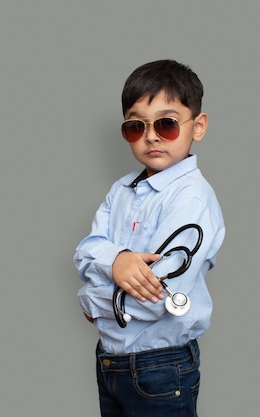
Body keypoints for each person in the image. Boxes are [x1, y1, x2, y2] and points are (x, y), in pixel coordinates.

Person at [73, 59, 225, 417]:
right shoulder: (121, 190)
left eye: (167, 124)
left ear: (197, 126)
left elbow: (157, 298)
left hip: (160, 368)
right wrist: (119, 259)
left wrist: (88, 300)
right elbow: (84, 251)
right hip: (110, 361)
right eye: (135, 126)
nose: (151, 135)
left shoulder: (191, 199)